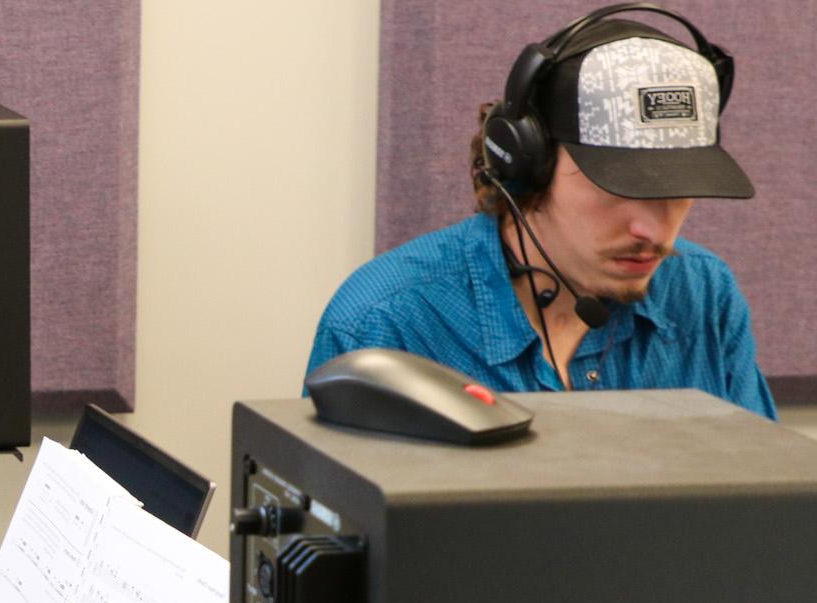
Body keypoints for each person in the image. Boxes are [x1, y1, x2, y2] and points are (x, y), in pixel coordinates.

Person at [306, 7, 775, 418]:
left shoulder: (705, 294)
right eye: (616, 188)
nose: (653, 230)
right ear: (529, 161)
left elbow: (764, 505)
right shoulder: (386, 322)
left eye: (678, 191)